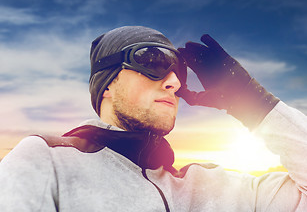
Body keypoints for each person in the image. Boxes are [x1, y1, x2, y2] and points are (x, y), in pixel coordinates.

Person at [0, 26, 306, 211]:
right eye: (153, 60)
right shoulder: (46, 163)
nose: (173, 82)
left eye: (179, 72)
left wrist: (253, 102)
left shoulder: (221, 187)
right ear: (106, 84)